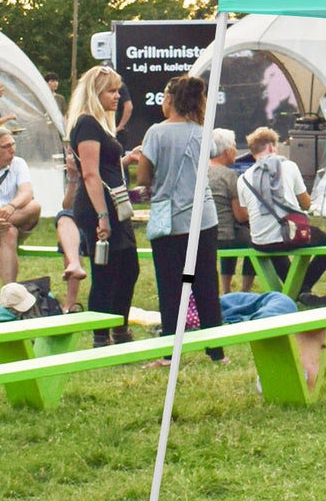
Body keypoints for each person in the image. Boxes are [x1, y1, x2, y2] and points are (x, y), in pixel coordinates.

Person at [137, 75, 225, 362]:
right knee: (205, 284)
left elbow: (144, 178)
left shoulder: (156, 133)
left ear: (170, 100)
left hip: (169, 221)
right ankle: (216, 351)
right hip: (203, 218)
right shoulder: (203, 132)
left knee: (171, 287)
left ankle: (168, 354)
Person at [65, 66, 139, 347]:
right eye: (111, 90)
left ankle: (118, 328)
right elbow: (90, 173)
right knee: (107, 271)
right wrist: (103, 216)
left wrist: (127, 160)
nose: (117, 96)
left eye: (118, 90)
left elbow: (102, 167)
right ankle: (101, 335)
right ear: (95, 94)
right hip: (98, 205)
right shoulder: (86, 123)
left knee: (129, 267)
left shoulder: (100, 124)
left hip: (112, 201)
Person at [237, 127, 326, 307]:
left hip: (261, 241)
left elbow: (245, 212)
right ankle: (303, 288)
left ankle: (301, 293)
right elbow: (305, 202)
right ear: (270, 147)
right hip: (290, 235)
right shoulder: (288, 166)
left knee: (275, 246)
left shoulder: (243, 178)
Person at [208, 128, 255, 296]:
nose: (236, 151)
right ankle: (245, 290)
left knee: (232, 230)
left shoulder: (198, 171)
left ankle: (226, 289)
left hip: (204, 235)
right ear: (227, 150)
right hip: (224, 236)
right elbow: (240, 215)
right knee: (257, 239)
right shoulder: (229, 175)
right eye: (235, 146)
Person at [0, 125, 42, 284]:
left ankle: (8, 292)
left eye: (13, 144)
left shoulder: (18, 163)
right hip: (9, 225)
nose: (12, 150)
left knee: (34, 206)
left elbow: (27, 192)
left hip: (11, 217)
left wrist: (11, 206)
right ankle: (9, 292)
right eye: (6, 146)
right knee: (9, 232)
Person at [55, 147, 88, 312]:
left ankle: (70, 303)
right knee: (65, 217)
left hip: (104, 219)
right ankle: (70, 303)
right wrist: (74, 178)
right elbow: (68, 206)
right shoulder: (77, 175)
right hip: (82, 222)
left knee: (73, 235)